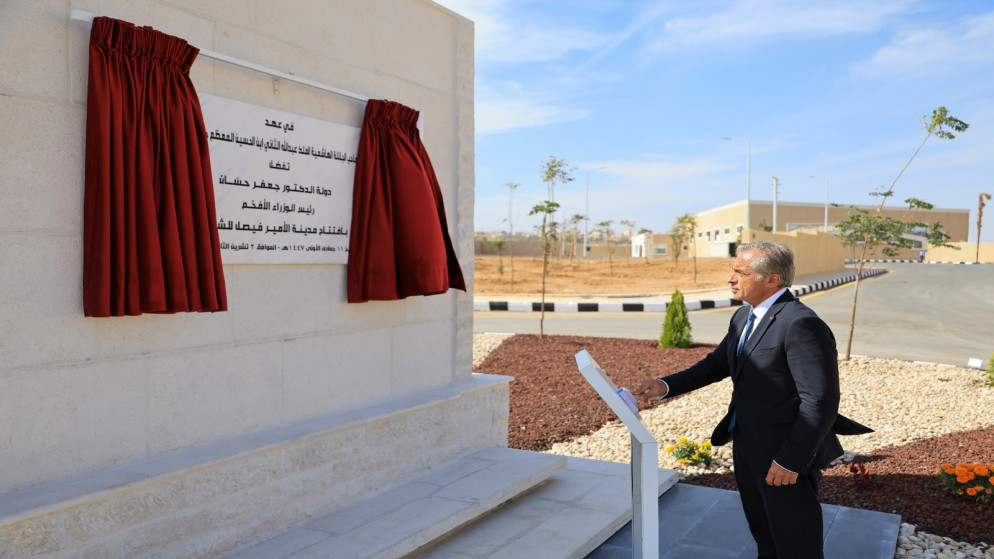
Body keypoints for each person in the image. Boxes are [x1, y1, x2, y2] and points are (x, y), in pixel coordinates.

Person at [635, 241, 870, 559]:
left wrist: (790, 460)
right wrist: (665, 385)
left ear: (772, 279)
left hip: (783, 452)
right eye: (733, 270)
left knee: (795, 540)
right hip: (747, 444)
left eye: (741, 273)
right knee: (764, 531)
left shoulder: (800, 323)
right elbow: (716, 365)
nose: (731, 278)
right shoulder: (743, 317)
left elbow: (820, 400)